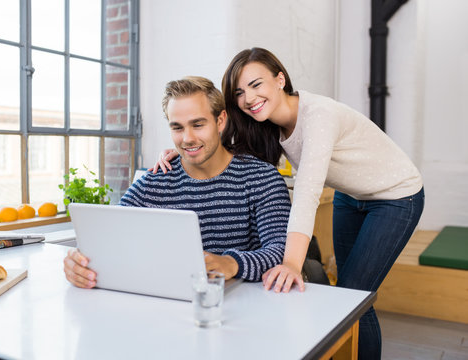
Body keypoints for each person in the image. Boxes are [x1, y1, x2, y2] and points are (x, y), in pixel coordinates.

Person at [152, 48, 424, 359]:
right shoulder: (266, 121)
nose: (248, 98)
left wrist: (292, 263)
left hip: (396, 194)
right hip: (351, 195)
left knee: (355, 297)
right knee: (347, 294)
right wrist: (180, 149)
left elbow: (307, 194)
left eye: (256, 84)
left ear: (280, 79)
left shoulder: (319, 116)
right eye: (239, 92)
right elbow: (216, 143)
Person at [64, 75, 291, 289]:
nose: (187, 138)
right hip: (167, 307)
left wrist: (232, 263)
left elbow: (281, 251)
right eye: (177, 127)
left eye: (198, 124)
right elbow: (109, 240)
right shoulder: (153, 183)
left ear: (220, 121)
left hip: (243, 308)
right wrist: (79, 263)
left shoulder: (262, 178)